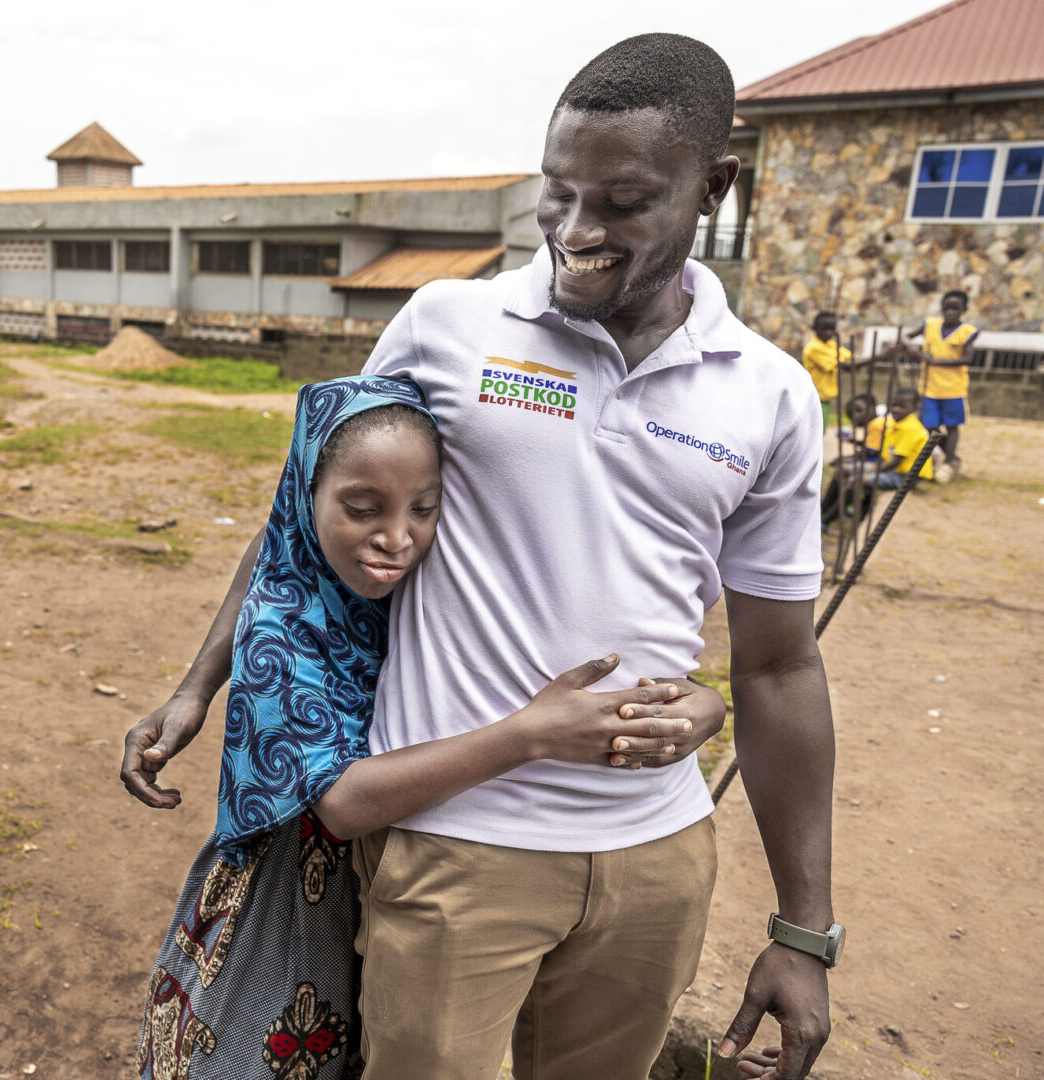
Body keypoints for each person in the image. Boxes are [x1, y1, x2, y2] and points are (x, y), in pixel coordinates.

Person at [126, 33, 836, 1080]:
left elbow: (779, 665)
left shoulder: (770, 393)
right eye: (558, 192)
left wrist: (804, 928)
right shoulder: (448, 326)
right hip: (451, 842)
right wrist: (200, 683)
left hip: (655, 859)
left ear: (714, 188)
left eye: (622, 202)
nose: (577, 231)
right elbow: (305, 523)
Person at [132, 375, 725, 1079]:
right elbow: (342, 804)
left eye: (425, 508)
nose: (396, 537)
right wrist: (530, 735)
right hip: (301, 905)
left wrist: (707, 704)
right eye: (362, 509)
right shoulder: (283, 631)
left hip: (403, 874)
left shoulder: (410, 584)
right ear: (304, 496)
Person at [820, 389, 933, 528]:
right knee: (843, 470)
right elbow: (884, 456)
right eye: (894, 405)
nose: (896, 409)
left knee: (857, 479)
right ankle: (823, 508)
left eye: (902, 407)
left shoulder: (911, 428)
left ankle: (827, 520)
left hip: (904, 476)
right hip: (891, 470)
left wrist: (870, 471)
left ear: (915, 407)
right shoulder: (893, 424)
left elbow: (895, 462)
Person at [905, 289, 977, 479]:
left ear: (963, 310)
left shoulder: (967, 331)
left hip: (954, 389)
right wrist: (915, 351)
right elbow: (905, 337)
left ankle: (949, 461)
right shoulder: (930, 325)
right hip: (929, 387)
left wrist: (936, 361)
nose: (950, 312)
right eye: (947, 308)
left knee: (952, 426)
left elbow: (967, 358)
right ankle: (941, 457)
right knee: (929, 426)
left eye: (955, 308)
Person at [801, 311, 851, 428]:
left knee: (820, 429)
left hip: (825, 397)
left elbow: (847, 356)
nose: (829, 333)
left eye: (832, 329)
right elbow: (838, 364)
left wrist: (839, 360)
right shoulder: (813, 348)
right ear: (815, 329)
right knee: (816, 429)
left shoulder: (830, 344)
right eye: (825, 329)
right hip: (815, 396)